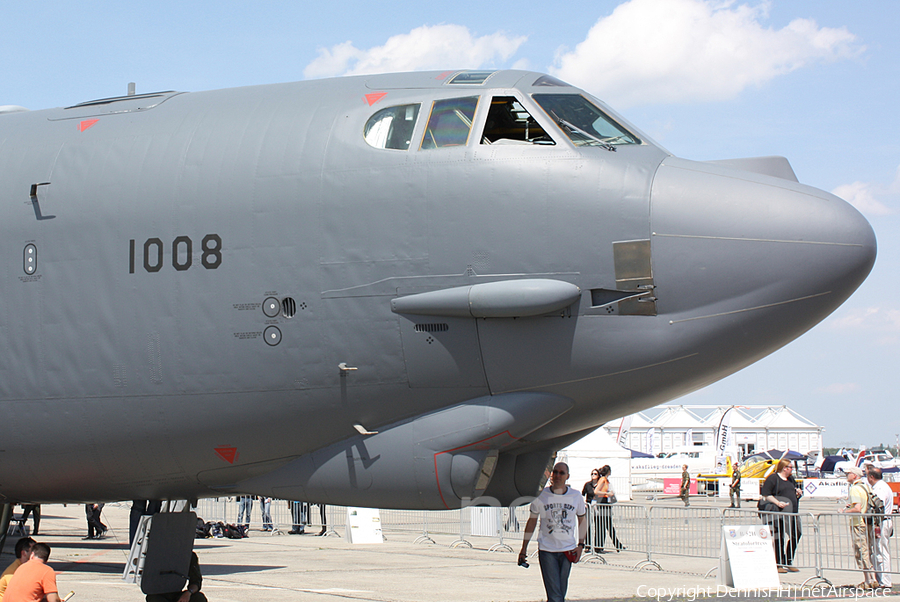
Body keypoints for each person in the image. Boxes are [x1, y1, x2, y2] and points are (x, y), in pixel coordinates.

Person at [518, 462, 587, 602]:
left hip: (567, 550)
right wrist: (524, 548)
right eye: (555, 472)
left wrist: (581, 545)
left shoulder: (576, 496)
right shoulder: (541, 495)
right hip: (547, 550)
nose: (558, 475)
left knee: (559, 593)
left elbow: (582, 520)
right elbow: (532, 522)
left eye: (562, 473)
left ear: (567, 476)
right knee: (555, 595)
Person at [760, 459, 802, 572]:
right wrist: (778, 503)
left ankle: (788, 560)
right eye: (790, 467)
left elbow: (791, 492)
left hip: (792, 512)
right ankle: (778, 563)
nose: (792, 469)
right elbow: (766, 494)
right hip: (778, 512)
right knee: (779, 537)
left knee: (796, 534)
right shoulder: (773, 478)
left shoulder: (791, 479)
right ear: (784, 468)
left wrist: (797, 493)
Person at [840, 465, 877, 589]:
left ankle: (870, 580)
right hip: (867, 522)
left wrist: (844, 512)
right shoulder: (865, 487)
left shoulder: (855, 489)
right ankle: (871, 579)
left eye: (848, 473)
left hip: (858, 523)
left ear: (854, 475)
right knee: (866, 550)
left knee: (861, 551)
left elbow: (857, 508)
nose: (847, 476)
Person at [867, 465, 893, 588]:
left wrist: (876, 525)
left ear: (871, 477)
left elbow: (878, 506)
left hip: (882, 521)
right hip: (883, 521)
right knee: (880, 551)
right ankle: (882, 579)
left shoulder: (880, 488)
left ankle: (885, 581)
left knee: (882, 552)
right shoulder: (881, 486)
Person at [593, 465, 624, 553]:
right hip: (602, 502)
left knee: (607, 525)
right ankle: (599, 546)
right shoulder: (602, 480)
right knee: (603, 525)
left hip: (605, 502)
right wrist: (607, 493)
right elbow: (596, 491)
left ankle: (616, 545)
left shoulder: (606, 480)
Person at [0, 537, 35, 601]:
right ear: (24, 553)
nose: (37, 553)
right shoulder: (13, 571)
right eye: (33, 551)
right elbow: (16, 594)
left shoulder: (26, 567)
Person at [581, 468, 601, 552]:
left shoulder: (600, 485)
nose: (593, 475)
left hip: (598, 506)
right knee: (588, 525)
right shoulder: (588, 485)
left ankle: (597, 545)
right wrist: (584, 503)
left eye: (595, 474)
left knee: (598, 525)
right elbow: (582, 494)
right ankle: (588, 544)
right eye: (592, 474)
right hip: (589, 506)